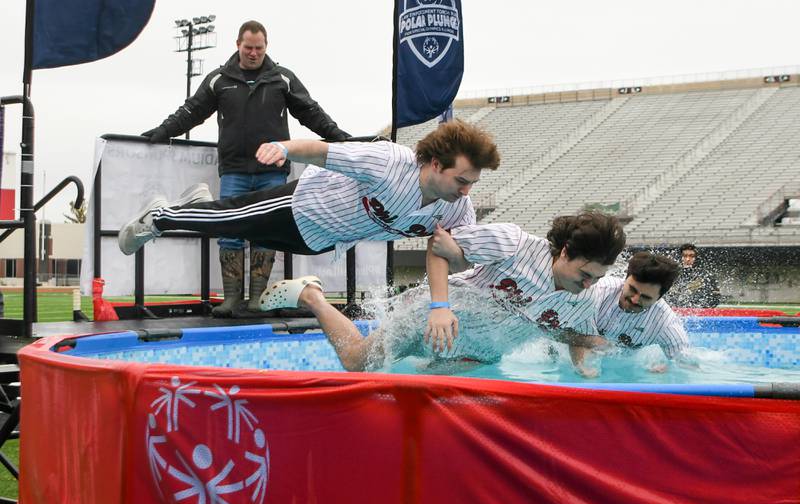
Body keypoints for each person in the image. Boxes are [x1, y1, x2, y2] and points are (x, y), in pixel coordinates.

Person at [119, 119, 501, 343]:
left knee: (227, 220)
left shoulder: (457, 209)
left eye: (472, 183)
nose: (467, 190)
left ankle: (197, 205)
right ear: (435, 164)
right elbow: (323, 151)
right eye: (462, 180)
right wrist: (283, 148)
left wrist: (456, 260)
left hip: (317, 240)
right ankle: (158, 218)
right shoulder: (388, 163)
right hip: (299, 206)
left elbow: (460, 259)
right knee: (227, 223)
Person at [140, 20, 350, 317]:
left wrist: (338, 138)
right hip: (235, 171)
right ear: (238, 45)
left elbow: (310, 111)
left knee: (267, 229)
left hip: (273, 172)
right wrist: (164, 131)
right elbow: (192, 110)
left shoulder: (282, 78)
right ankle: (232, 299)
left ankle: (257, 299)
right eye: (248, 48)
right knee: (228, 230)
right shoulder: (219, 80)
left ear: (266, 47)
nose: (253, 53)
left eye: (259, 48)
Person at [254, 211, 627, 371]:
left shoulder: (585, 297)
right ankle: (311, 295)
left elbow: (557, 329)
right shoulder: (513, 243)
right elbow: (438, 247)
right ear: (565, 252)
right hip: (430, 320)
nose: (588, 284)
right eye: (584, 274)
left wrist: (583, 347)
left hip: (477, 354)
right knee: (358, 362)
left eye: (596, 278)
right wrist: (439, 306)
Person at [569, 251, 691, 376]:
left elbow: (686, 364)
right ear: (625, 279)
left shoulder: (665, 323)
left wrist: (667, 370)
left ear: (659, 298)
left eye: (646, 297)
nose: (634, 300)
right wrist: (582, 367)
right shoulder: (597, 292)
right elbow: (572, 333)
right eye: (632, 289)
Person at [664, 243, 720, 308]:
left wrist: (698, 309)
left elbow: (715, 298)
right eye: (685, 256)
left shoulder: (706, 276)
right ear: (680, 257)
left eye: (691, 256)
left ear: (696, 258)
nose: (688, 259)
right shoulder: (672, 275)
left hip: (698, 313)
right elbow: (666, 297)